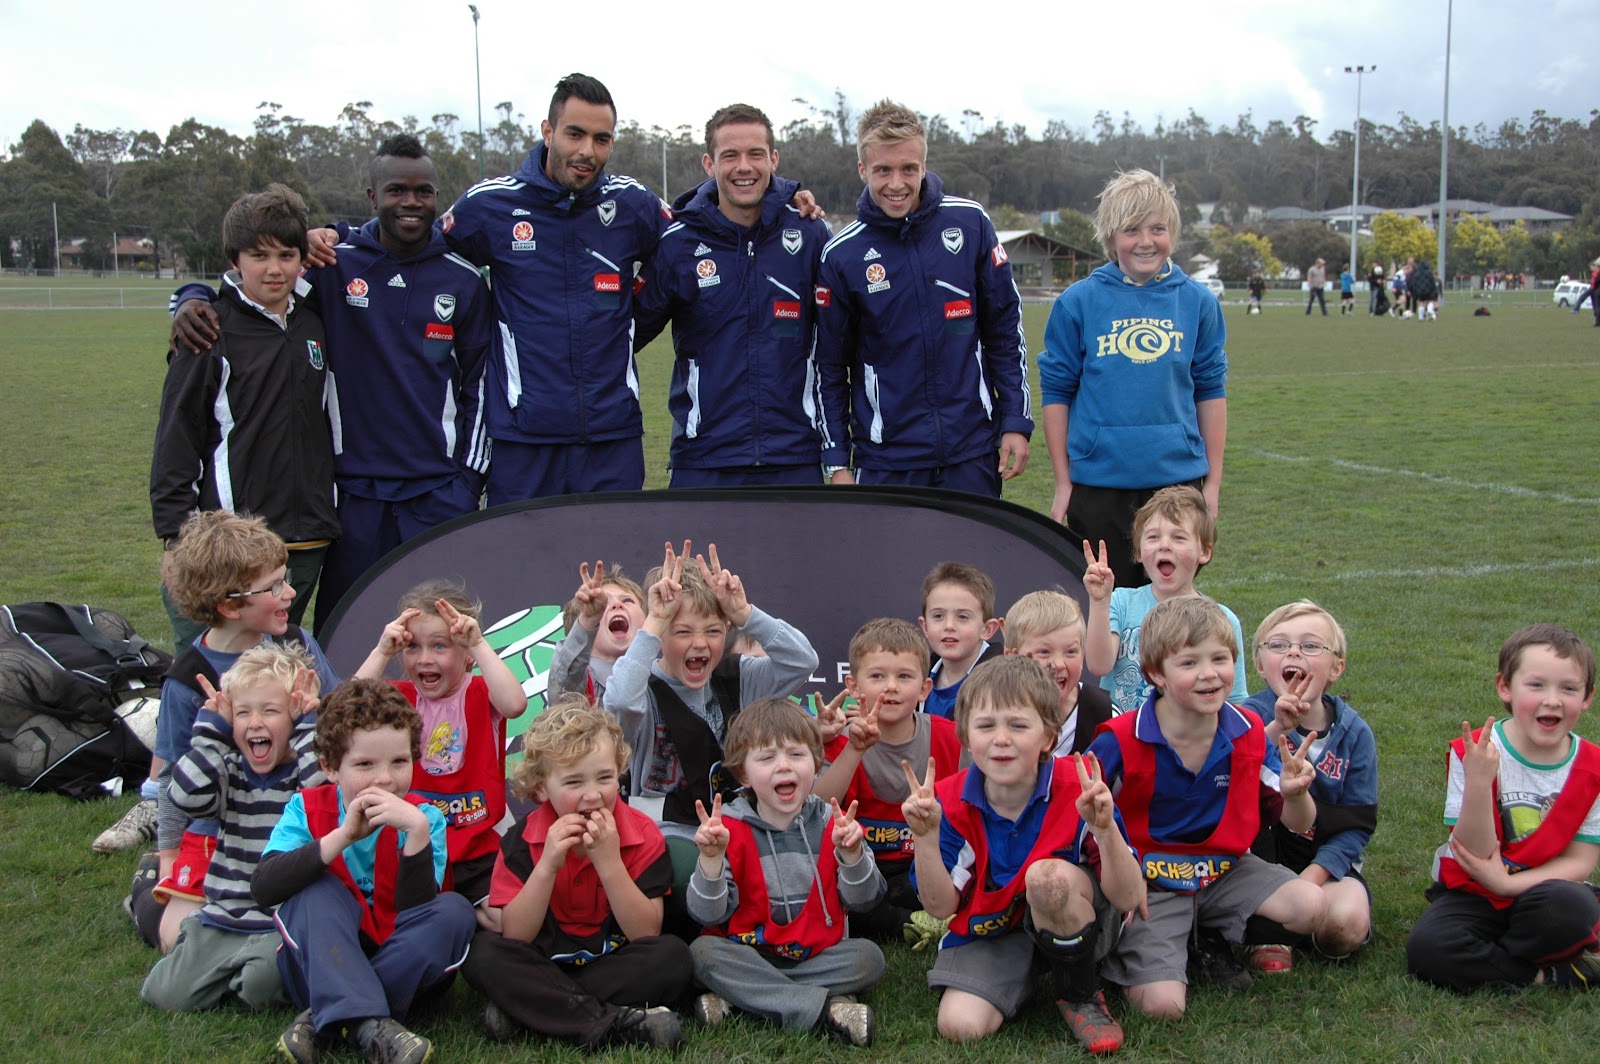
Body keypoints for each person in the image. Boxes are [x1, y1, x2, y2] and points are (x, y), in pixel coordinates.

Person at [168, 136, 495, 635]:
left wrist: (467, 483)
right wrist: (191, 297)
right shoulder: (332, 265)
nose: (410, 202)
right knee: (346, 630)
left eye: (423, 191)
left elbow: (480, 386)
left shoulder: (465, 280)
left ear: (436, 197)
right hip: (351, 496)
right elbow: (252, 280)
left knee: (442, 634)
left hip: (436, 493)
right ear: (372, 196)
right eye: (395, 191)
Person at [1088, 595, 1328, 1020]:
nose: (1209, 674)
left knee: (1311, 906)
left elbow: (1299, 822)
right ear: (1155, 674)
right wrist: (1116, 871)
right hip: (1151, 881)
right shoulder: (1121, 737)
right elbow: (1080, 809)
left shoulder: (1248, 729)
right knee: (1162, 1009)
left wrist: (1294, 792)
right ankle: (1141, 944)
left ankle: (1207, 935)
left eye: (1219, 659)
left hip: (1222, 870)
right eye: (1189, 663)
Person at [905, 656, 1144, 1052]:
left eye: (1018, 725)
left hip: (1073, 908)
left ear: (1049, 737)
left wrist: (1105, 831)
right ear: (965, 737)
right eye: (985, 726)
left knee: (1047, 878)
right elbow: (938, 907)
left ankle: (1079, 991)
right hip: (996, 927)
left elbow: (1128, 896)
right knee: (959, 1024)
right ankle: (1028, 969)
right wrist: (926, 839)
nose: (1001, 739)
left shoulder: (1078, 784)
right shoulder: (948, 799)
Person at [130, 511, 338, 954]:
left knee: (299, 921)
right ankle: (144, 891)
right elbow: (170, 783)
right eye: (275, 586)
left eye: (285, 580)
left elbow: (340, 721)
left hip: (292, 817)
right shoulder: (189, 681)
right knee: (177, 941)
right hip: (216, 829)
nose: (290, 592)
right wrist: (170, 863)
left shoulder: (297, 646)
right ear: (229, 606)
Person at [150, 183, 338, 647]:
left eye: (287, 255)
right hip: (234, 544)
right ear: (235, 260)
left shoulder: (316, 320)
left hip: (308, 535)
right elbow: (176, 440)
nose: (274, 269)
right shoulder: (207, 332)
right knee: (215, 671)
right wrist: (178, 539)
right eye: (259, 255)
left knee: (280, 669)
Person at [813, 100, 1033, 496]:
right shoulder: (841, 254)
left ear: (924, 166)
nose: (896, 184)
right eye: (883, 170)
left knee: (974, 560)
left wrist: (1015, 418)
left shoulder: (970, 224)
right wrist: (836, 461)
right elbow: (829, 368)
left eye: (908, 169)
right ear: (863, 170)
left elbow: (1005, 330)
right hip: (886, 461)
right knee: (892, 562)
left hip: (971, 453)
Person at [253, 679, 477, 1064]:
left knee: (455, 910)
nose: (385, 779)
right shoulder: (306, 808)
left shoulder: (424, 818)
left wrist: (417, 836)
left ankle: (326, 1019)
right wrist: (341, 837)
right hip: (318, 962)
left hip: (401, 962)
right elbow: (264, 888)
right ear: (330, 767)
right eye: (364, 765)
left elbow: (417, 915)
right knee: (313, 890)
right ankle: (372, 1027)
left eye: (399, 762)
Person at [461, 696, 691, 1048]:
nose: (593, 795)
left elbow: (646, 932)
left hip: (612, 962)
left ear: (619, 776)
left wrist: (609, 862)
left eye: (604, 778)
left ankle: (532, 1010)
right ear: (540, 789)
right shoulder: (520, 841)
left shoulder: (643, 835)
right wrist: (547, 865)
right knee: (483, 953)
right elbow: (516, 936)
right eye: (573, 783)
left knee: (672, 957)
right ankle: (614, 1023)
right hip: (545, 960)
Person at [1037, 169, 1228, 588]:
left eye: (1157, 228)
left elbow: (1211, 389)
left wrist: (1211, 483)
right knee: (1107, 605)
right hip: (1100, 486)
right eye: (1131, 230)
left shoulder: (1197, 302)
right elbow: (1057, 392)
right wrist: (1064, 481)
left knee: (1172, 611)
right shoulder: (1078, 302)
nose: (1146, 241)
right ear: (1110, 236)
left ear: (1172, 233)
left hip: (1176, 483)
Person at [633, 104, 832, 486]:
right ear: (709, 164)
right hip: (703, 461)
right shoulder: (679, 244)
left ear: (773, 159)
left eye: (756, 154)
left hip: (794, 459)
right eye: (730, 156)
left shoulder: (809, 234)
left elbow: (844, 340)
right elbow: (625, 335)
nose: (744, 167)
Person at [1406, 624, 1600, 993]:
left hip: (1544, 891)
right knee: (1427, 949)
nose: (1553, 699)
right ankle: (1546, 973)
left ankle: (1497, 956)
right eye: (1536, 685)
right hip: (1474, 891)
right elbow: (1472, 851)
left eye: (1569, 688)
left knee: (1573, 908)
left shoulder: (1593, 766)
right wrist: (1479, 783)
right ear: (1505, 687)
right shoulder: (1476, 750)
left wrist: (1508, 884)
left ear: (1587, 697)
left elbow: (1580, 862)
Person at [687, 697, 887, 1047]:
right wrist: (711, 860)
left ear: (816, 762)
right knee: (703, 953)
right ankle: (827, 1007)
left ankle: (744, 999)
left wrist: (852, 854)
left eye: (796, 755)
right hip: (749, 952)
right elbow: (708, 913)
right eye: (767, 757)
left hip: (817, 955)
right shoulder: (727, 829)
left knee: (869, 959)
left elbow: (867, 900)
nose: (784, 766)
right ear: (743, 774)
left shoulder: (832, 822)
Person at [141, 645, 324, 1011]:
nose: (255, 722)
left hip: (279, 921)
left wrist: (308, 727)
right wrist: (211, 734)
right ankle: (144, 889)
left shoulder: (305, 774)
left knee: (261, 987)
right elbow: (185, 795)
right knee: (164, 994)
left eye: (270, 711)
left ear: (294, 715)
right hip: (221, 915)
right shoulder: (228, 769)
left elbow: (321, 797)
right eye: (242, 713)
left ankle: (242, 975)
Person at [603, 541, 818, 830]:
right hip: (668, 839)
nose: (700, 643)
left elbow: (802, 661)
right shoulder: (643, 691)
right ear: (660, 634)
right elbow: (619, 703)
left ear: (727, 629)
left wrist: (745, 613)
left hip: (738, 834)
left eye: (713, 631)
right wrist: (653, 622)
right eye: (683, 632)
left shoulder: (737, 677)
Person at [354, 579, 529, 917]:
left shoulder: (480, 692)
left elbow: (516, 704)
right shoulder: (399, 698)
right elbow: (345, 709)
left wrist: (478, 643)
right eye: (413, 647)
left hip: (477, 847)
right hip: (417, 846)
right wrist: (382, 651)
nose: (424, 658)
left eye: (439, 646)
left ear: (466, 656)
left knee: (505, 920)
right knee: (408, 917)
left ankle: (471, 913)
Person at [1237, 601, 1377, 974]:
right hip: (1257, 860)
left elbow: (1357, 825)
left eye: (1311, 646)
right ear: (1260, 665)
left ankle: (1295, 926)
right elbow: (1231, 776)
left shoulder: (1355, 735)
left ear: (1336, 668)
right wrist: (1275, 730)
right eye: (1279, 645)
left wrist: (1311, 880)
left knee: (1345, 926)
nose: (1294, 652)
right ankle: (1269, 932)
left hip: (1321, 863)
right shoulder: (1246, 718)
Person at [812, 617, 961, 941]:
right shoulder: (840, 742)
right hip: (862, 864)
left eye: (904, 676)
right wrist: (854, 749)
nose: (890, 686)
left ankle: (921, 915)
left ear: (924, 688)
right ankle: (908, 924)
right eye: (877, 676)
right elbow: (816, 807)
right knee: (836, 895)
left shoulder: (951, 738)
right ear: (853, 686)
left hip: (927, 861)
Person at [1082, 485, 1248, 713]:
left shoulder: (1223, 619)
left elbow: (1235, 700)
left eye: (1178, 537)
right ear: (1139, 551)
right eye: (1153, 537)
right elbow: (1098, 666)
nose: (1164, 545)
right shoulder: (1121, 602)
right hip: (1123, 737)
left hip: (1188, 737)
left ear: (1205, 551)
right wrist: (1100, 602)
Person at [1002, 590, 1113, 758]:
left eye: (1070, 652)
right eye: (1044, 652)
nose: (1059, 664)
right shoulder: (992, 708)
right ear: (1012, 657)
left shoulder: (1104, 714)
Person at [547, 560, 647, 705]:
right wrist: (588, 621)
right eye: (604, 603)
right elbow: (562, 688)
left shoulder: (659, 684)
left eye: (627, 600)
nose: (617, 605)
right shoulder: (583, 684)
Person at [919, 561, 1003, 720]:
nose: (949, 626)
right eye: (938, 616)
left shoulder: (1005, 683)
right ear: (925, 626)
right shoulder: (915, 677)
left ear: (987, 629)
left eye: (963, 617)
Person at [1408, 256, 1439, 321]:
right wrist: (1434, 290)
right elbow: (1432, 282)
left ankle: (1420, 317)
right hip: (1429, 291)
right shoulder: (1429, 273)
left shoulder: (1417, 274)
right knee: (1430, 301)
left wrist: (1416, 291)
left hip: (1420, 292)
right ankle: (1429, 310)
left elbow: (1414, 283)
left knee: (1422, 303)